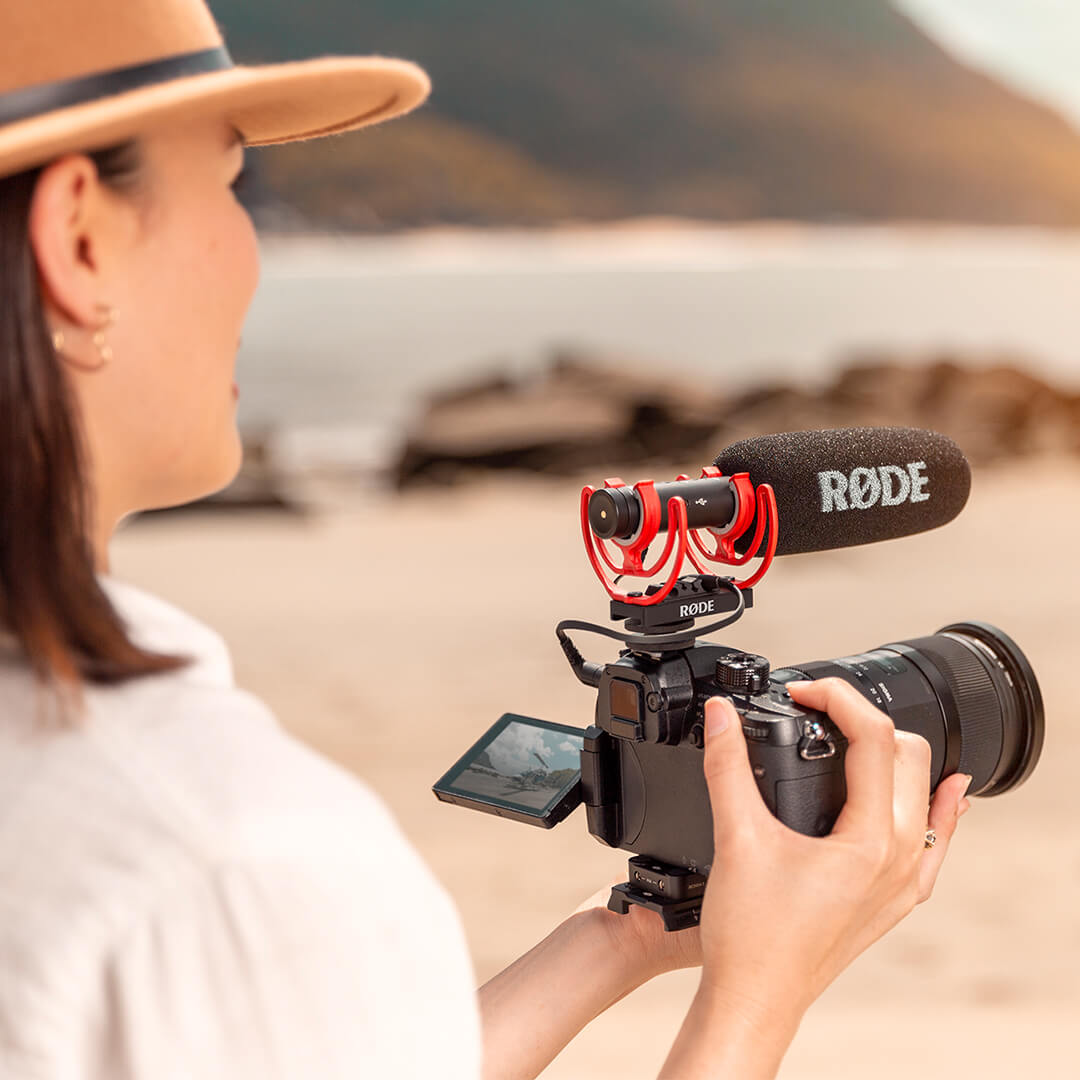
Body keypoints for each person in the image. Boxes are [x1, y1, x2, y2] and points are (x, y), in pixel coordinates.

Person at [0, 2, 974, 1077]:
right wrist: (763, 991)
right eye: (235, 187)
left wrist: (619, 939)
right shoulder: (221, 858)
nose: (252, 253)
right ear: (80, 237)